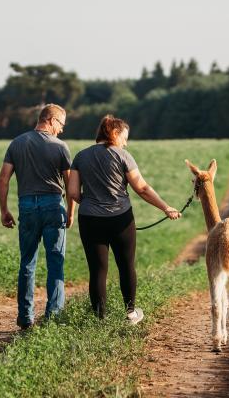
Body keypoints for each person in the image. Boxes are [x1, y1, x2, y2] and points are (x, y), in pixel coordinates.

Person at [67, 114, 180, 324]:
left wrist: (91, 201)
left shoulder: (81, 156)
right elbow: (143, 189)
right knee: (126, 265)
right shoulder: (123, 156)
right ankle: (130, 313)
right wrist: (165, 207)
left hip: (90, 220)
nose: (125, 143)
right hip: (121, 219)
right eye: (124, 138)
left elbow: (73, 192)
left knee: (97, 269)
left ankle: (99, 318)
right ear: (115, 133)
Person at [0, 103, 76, 329]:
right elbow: (70, 184)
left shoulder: (17, 143)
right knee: (55, 263)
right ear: (50, 120)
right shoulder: (60, 147)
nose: (61, 129)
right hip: (53, 205)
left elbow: (3, 179)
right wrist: (70, 213)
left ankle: (25, 317)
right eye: (61, 124)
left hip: (27, 206)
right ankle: (53, 317)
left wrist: (4, 210)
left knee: (27, 263)